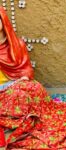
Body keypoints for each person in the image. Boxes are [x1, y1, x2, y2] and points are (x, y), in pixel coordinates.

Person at [0, 6, 49, 147]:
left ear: (4, 21)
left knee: (36, 87)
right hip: (3, 90)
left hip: (14, 84)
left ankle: (28, 117)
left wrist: (23, 77)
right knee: (19, 96)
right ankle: (13, 121)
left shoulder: (17, 44)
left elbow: (27, 70)